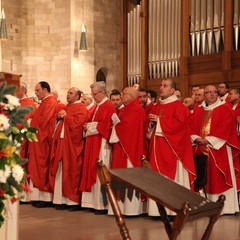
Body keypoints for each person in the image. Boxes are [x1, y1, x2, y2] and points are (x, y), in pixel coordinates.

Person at [147, 78, 196, 216]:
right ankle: (157, 211)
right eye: (161, 85)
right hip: (157, 149)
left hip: (173, 151)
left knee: (172, 179)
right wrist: (151, 124)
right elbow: (151, 126)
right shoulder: (157, 106)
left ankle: (175, 210)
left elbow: (180, 127)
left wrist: (160, 121)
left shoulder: (179, 107)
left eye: (165, 86)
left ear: (173, 90)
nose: (161, 88)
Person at [189, 85, 240, 214]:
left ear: (218, 94)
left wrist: (209, 140)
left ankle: (225, 208)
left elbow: (226, 127)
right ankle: (204, 206)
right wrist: (196, 138)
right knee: (202, 176)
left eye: (214, 92)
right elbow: (190, 127)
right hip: (200, 148)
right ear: (204, 95)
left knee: (218, 177)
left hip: (219, 148)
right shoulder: (199, 110)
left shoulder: (225, 109)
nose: (211, 95)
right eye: (208, 92)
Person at [79, 81, 116, 214]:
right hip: (93, 141)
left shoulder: (108, 106)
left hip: (101, 144)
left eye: (95, 94)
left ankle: (101, 204)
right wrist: (88, 125)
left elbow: (105, 125)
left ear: (102, 93)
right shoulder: (97, 106)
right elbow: (93, 123)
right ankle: (92, 203)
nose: (93, 96)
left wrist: (89, 126)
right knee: (91, 169)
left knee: (100, 171)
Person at [109, 87, 146, 215]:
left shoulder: (136, 109)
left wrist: (116, 125)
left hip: (131, 149)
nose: (122, 96)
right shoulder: (127, 108)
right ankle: (121, 207)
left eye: (123, 94)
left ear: (130, 96)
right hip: (123, 147)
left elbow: (127, 128)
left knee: (130, 175)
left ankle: (131, 210)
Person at [49, 87, 88, 211]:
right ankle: (60, 200)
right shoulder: (67, 107)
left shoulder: (81, 108)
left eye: (71, 93)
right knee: (61, 171)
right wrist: (60, 116)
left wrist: (66, 117)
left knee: (72, 171)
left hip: (72, 145)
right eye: (67, 93)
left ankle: (72, 201)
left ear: (77, 96)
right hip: (62, 144)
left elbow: (78, 125)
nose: (68, 95)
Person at [28, 81, 58, 208]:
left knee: (42, 166)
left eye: (37, 90)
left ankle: (45, 197)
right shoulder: (45, 102)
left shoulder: (50, 102)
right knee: (37, 166)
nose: (36, 93)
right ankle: (38, 196)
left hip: (43, 140)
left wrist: (32, 127)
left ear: (45, 89)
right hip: (37, 138)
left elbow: (44, 121)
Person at [15, 82, 37, 202]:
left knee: (21, 164)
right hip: (14, 137)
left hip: (22, 138)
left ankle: (22, 194)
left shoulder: (28, 103)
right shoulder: (17, 102)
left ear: (22, 90)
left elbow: (24, 121)